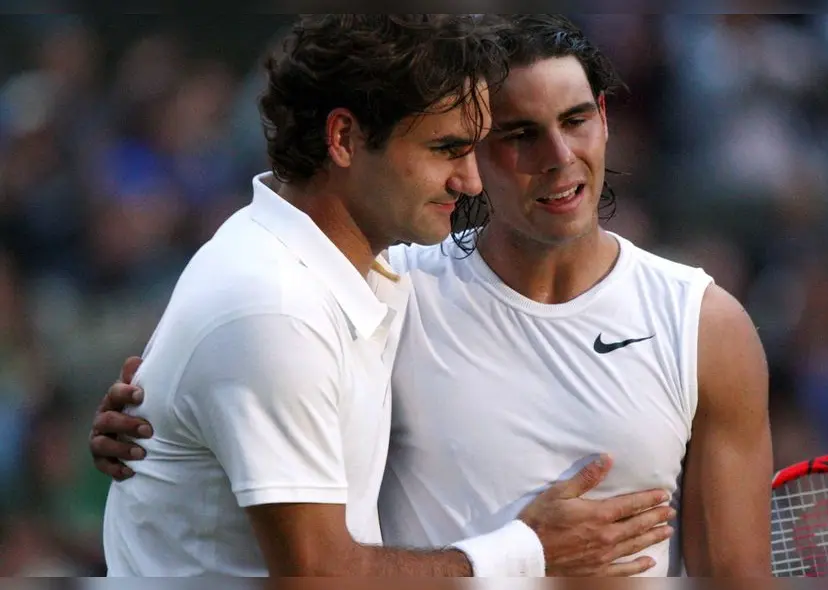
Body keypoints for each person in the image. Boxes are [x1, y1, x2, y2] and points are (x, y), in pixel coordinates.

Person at [89, 14, 771, 576]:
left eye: (576, 120)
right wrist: (160, 429)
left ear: (604, 118)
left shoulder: (704, 326)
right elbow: (252, 344)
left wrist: (164, 426)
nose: (558, 156)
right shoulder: (386, 288)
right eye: (515, 135)